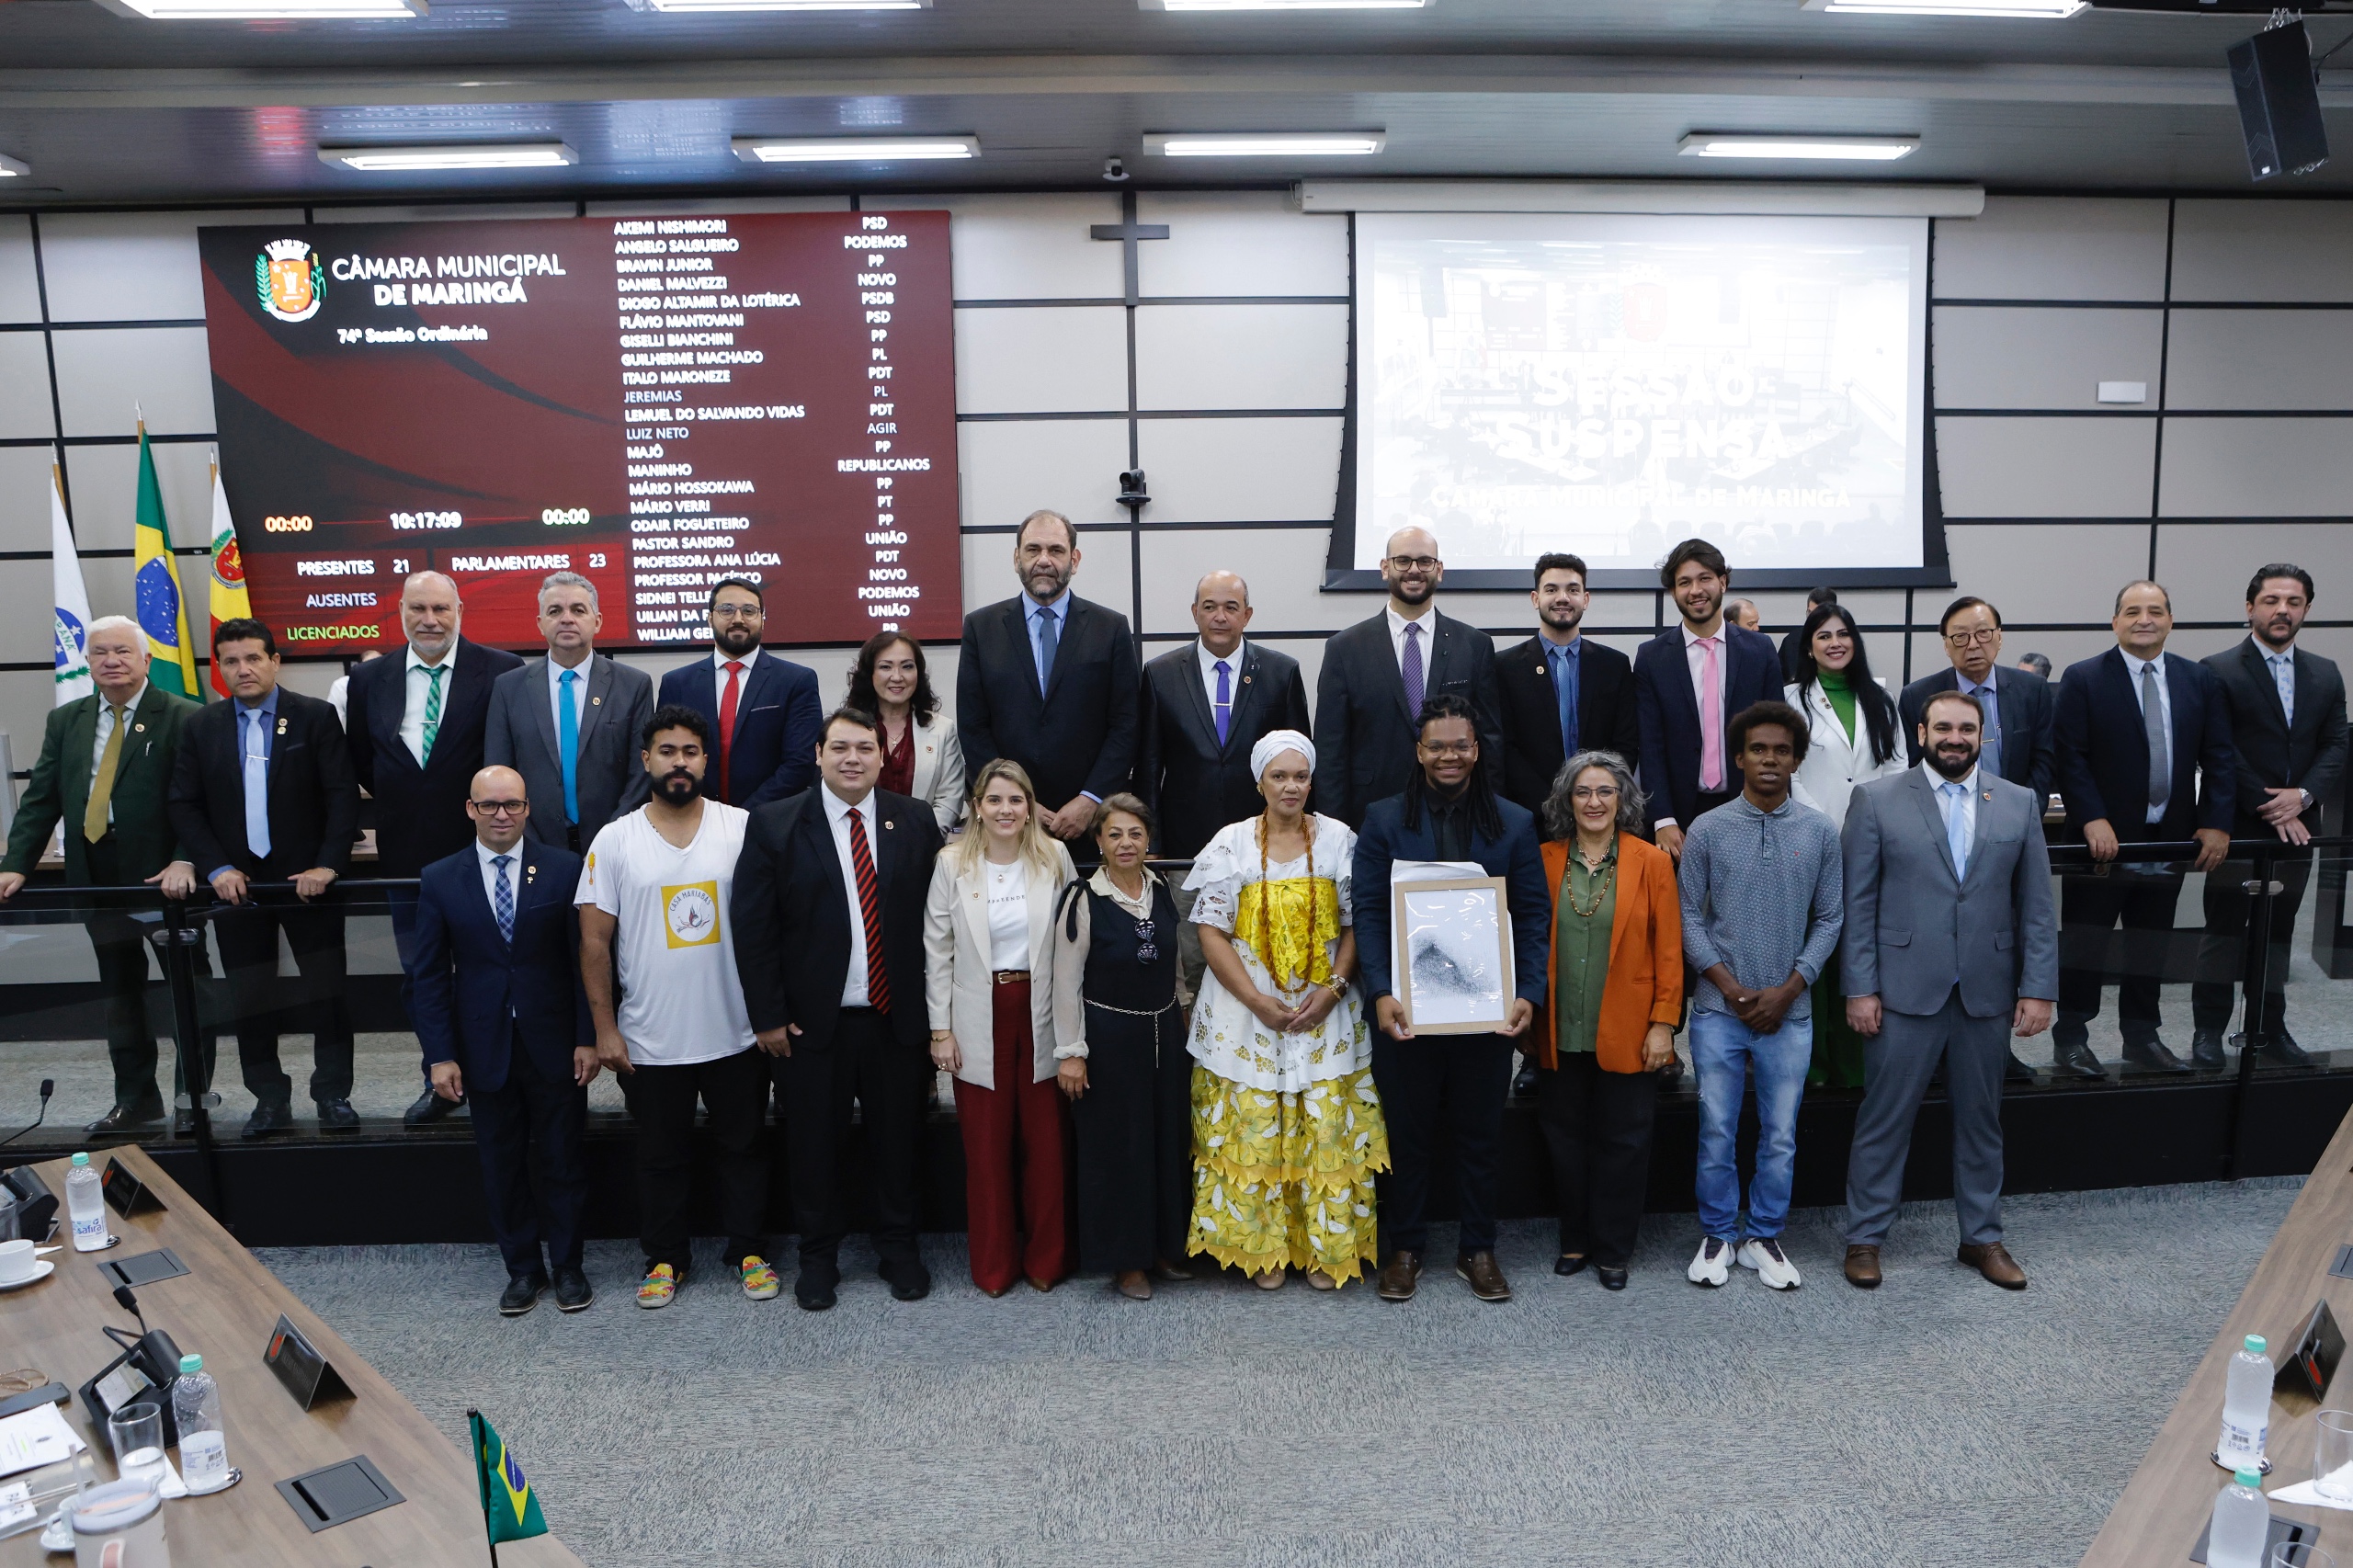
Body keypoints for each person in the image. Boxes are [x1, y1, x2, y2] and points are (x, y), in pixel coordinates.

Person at [1840, 690, 2059, 1291]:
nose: (1955, 738)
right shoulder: (1877, 800)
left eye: (1967, 728)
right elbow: (1857, 904)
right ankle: (1865, 1238)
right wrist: (1860, 987)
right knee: (1884, 1119)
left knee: (1982, 1122)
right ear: (1921, 733)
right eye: (1943, 728)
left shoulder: (2017, 802)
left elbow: (2037, 907)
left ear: (1983, 736)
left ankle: (1982, 1238)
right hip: (1901, 990)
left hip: (1986, 991)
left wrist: (2039, 988)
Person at [733, 706, 946, 1311]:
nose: (853, 758)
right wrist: (767, 1016)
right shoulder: (775, 823)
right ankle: (818, 1257)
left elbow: (938, 922)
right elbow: (753, 928)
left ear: (882, 757)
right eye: (840, 748)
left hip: (895, 1020)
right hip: (809, 1026)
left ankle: (898, 1248)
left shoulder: (915, 819)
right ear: (818, 755)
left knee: (898, 1143)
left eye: (865, 748)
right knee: (812, 1147)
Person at [1354, 695, 1548, 1304]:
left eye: (1460, 745)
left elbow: (1533, 916)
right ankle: (1406, 1248)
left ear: (1476, 750)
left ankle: (1478, 1248)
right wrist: (1381, 991)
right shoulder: (1383, 820)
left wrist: (1528, 993)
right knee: (1407, 1134)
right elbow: (1368, 914)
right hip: (1405, 1012)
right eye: (1436, 746)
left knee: (1480, 1135)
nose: (1449, 756)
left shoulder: (1514, 822)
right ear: (1419, 752)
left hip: (1486, 1012)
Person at [577, 705, 771, 1311]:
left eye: (690, 751)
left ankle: (749, 1251)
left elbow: (774, 925)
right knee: (660, 1159)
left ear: (706, 760)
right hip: (649, 1039)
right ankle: (665, 1258)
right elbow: (594, 943)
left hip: (737, 1032)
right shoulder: (615, 839)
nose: (679, 762)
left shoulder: (743, 828)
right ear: (647, 760)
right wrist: (605, 1029)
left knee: (744, 1151)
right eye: (667, 752)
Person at [1182, 731, 1385, 1291]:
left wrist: (1335, 988)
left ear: (1311, 782)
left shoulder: (1340, 839)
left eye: (1300, 776)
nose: (1290, 786)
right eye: (1279, 776)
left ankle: (1324, 1249)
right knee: (1254, 1123)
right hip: (1246, 1011)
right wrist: (1255, 1001)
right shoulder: (1231, 843)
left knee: (1324, 1126)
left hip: (1325, 1006)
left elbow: (1357, 922)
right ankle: (1263, 1250)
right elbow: (1210, 931)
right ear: (1259, 783)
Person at [408, 766, 597, 1317]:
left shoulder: (564, 869)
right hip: (482, 1048)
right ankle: (523, 1271)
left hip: (555, 1044)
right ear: (470, 809)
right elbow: (428, 977)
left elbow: (584, 962)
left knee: (564, 1160)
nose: (501, 815)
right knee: (502, 1165)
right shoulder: (441, 878)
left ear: (527, 808)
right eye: (488, 805)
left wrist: (588, 1037)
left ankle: (568, 1267)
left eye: (512, 804)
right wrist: (440, 1055)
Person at [0, 616, 199, 1134]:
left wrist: (186, 858)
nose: (111, 661)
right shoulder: (66, 720)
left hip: (164, 877)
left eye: (123, 651)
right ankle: (136, 1101)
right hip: (97, 875)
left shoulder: (184, 716)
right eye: (100, 653)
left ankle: (192, 1102)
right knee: (120, 995)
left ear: (146, 659)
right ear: (87, 662)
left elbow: (203, 800)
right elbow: (41, 798)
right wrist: (15, 863)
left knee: (186, 996)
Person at [342, 571, 523, 1127]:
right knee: (421, 973)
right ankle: (440, 1079)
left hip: (483, 850)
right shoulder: (368, 679)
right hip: (405, 858)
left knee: (491, 969)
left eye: (441, 608)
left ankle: (498, 1076)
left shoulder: (502, 670)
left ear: (460, 611)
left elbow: (508, 754)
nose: (429, 620)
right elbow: (364, 762)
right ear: (400, 612)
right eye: (418, 608)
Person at [167, 619, 359, 1139]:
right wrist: (216, 867)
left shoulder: (315, 716)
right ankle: (269, 1098)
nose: (243, 669)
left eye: (253, 658)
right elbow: (184, 804)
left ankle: (333, 1094)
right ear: (220, 668)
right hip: (235, 887)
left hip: (309, 884)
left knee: (326, 994)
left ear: (275, 661)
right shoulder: (201, 726)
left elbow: (342, 796)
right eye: (231, 661)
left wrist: (329, 865)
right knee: (250, 999)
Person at [1676, 699, 1842, 1293]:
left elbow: (1830, 917)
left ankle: (1764, 1236)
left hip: (1790, 1013)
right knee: (1716, 1130)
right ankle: (1719, 1234)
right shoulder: (1708, 829)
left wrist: (1791, 988)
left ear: (1796, 761)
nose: (1770, 760)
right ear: (1739, 758)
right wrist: (1729, 986)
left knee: (1780, 1135)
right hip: (1718, 1011)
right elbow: (1687, 915)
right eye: (1758, 749)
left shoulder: (1819, 831)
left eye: (1781, 751)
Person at [2050, 581, 2234, 1078]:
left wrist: (2215, 822)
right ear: (2115, 622)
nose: (2144, 619)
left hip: (2169, 838)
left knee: (2151, 943)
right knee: (2086, 943)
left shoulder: (2198, 680)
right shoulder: (2084, 678)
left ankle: (2141, 1037)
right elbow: (2070, 756)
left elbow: (2219, 756)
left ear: (2171, 621)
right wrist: (2091, 816)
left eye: (2155, 611)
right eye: (2132, 611)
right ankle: (2071, 1038)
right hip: (2099, 842)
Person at [1528, 751, 1680, 1292]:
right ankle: (1575, 1239)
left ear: (1622, 800)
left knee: (1624, 1141)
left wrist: (1664, 1024)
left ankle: (1614, 1248)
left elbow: (1669, 950)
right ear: (1567, 801)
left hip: (1632, 1028)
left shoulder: (1652, 862)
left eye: (1605, 792)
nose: (1594, 802)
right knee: (1564, 1139)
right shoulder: (1542, 859)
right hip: (1559, 1026)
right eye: (1583, 792)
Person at [923, 759, 1075, 1295]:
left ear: (1030, 807)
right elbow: (937, 950)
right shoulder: (951, 863)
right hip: (976, 1013)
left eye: (1016, 800)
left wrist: (1075, 1033)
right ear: (977, 808)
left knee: (1046, 1147)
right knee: (986, 1151)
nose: (1006, 810)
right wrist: (940, 1029)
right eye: (994, 800)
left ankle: (1046, 1260)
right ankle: (993, 1266)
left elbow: (1074, 945)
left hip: (1043, 1010)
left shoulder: (1054, 857)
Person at [2192, 564, 2348, 1070]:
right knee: (2222, 932)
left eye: (2294, 602)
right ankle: (2207, 1032)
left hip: (2300, 828)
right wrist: (2273, 805)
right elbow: (2217, 748)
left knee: (2278, 933)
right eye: (2272, 600)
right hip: (2236, 825)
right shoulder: (2217, 669)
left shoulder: (2325, 671)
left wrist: (2303, 796)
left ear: (2306, 610)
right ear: (2250, 607)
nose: (2283, 610)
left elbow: (2336, 744)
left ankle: (2269, 1028)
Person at [1136, 570, 1312, 999]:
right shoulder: (1160, 673)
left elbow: (1300, 762)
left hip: (1265, 845)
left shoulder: (1281, 672)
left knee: (1264, 954)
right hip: (1186, 848)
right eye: (1210, 607)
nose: (1220, 616)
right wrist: (1152, 841)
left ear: (1247, 615)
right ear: (1194, 612)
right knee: (1195, 959)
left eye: (1231, 607)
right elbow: (1148, 764)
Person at [1051, 794, 1190, 1300]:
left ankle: (1163, 1247)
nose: (1126, 843)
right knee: (1120, 1150)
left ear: (1148, 839)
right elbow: (1064, 982)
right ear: (1099, 841)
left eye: (1135, 833)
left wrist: (1183, 1016)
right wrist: (1071, 1051)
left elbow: (1174, 965)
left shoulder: (1162, 890)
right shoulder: (1082, 899)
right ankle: (1126, 1261)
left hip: (1164, 1034)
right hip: (1108, 1041)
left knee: (1165, 1142)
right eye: (1114, 834)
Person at [956, 510, 1139, 857]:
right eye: (1033, 550)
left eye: (1055, 550)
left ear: (1074, 559)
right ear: (1016, 558)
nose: (1043, 560)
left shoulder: (1110, 628)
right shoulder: (982, 628)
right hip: (1006, 824)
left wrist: (1090, 800)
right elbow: (972, 726)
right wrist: (1017, 801)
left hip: (1090, 825)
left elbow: (1126, 724)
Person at [1785, 602, 1905, 1088]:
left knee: (1862, 950)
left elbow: (1897, 765)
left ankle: (1856, 1065)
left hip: (1875, 841)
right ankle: (1814, 1063)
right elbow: (1789, 772)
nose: (1835, 643)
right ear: (1809, 649)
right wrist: (1825, 827)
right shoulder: (1792, 699)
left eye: (1843, 634)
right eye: (1823, 636)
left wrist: (1875, 825)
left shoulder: (1881, 698)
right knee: (1816, 951)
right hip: (1812, 839)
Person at [1313, 527, 1502, 829]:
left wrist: (1490, 816)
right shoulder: (1344, 649)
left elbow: (1490, 740)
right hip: (1370, 813)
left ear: (1439, 570)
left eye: (1425, 561)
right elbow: (1329, 749)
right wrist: (1332, 830)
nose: (1414, 570)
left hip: (1458, 812)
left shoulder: (1474, 646)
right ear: (1385, 568)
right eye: (1403, 561)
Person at [1633, 539, 1785, 860]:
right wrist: (1662, 818)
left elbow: (1777, 736)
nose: (1695, 590)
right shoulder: (1652, 657)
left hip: (1750, 807)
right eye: (1684, 582)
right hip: (1679, 819)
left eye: (1705, 578)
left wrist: (1771, 806)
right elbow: (1650, 744)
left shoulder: (1760, 651)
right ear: (1673, 591)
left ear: (1723, 582)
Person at [484, 571, 655, 854]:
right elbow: (498, 772)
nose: (567, 618)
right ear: (540, 623)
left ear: (597, 621)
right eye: (555, 611)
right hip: (532, 845)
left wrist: (614, 835)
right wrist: (527, 836)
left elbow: (642, 773)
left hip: (617, 844)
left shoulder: (633, 685)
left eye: (578, 610)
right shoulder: (508, 688)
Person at [654, 577, 823, 808]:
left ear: (762, 620)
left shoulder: (796, 681)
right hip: (693, 817)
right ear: (710, 619)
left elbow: (800, 763)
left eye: (749, 611)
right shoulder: (677, 683)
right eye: (727, 610)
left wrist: (745, 816)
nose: (738, 619)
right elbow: (666, 757)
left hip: (771, 819)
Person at [1495, 552, 1640, 819]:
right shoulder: (1505, 667)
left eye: (1572, 590)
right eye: (1551, 589)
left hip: (1601, 811)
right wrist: (1551, 804)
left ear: (1585, 599)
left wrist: (1596, 795)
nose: (1562, 598)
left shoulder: (1614, 665)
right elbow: (1506, 747)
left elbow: (1626, 744)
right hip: (1532, 813)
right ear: (1535, 599)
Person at [1896, 596, 2057, 801]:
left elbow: (2043, 762)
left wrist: (2027, 810)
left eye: (1983, 633)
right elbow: (1913, 769)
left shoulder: (2033, 690)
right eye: (1960, 636)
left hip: (2016, 811)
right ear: (1946, 645)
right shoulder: (1917, 697)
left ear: (1999, 637)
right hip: (1944, 812)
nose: (1973, 645)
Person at [847, 631, 965, 834]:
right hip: (860, 843)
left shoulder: (943, 730)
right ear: (870, 674)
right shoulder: (847, 729)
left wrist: (916, 842)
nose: (897, 677)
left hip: (924, 844)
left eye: (907, 666)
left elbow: (949, 801)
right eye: (885, 667)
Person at [1779, 587, 1837, 684]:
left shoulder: (1842, 642)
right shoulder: (1791, 641)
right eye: (1810, 613)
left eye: (1819, 614)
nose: (1812, 619)